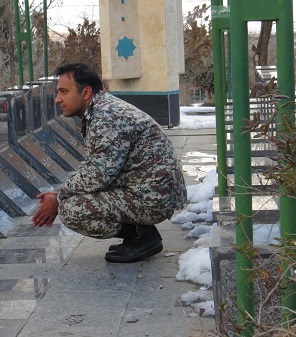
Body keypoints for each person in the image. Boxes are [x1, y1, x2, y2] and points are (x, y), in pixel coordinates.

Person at [32, 63, 187, 263]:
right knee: (72, 198)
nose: (57, 99)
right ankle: (140, 234)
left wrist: (60, 198)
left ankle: (142, 237)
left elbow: (97, 175)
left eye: (63, 91)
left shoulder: (106, 116)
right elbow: (97, 168)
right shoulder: (102, 109)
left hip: (153, 198)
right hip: (147, 190)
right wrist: (62, 192)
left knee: (72, 210)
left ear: (86, 92)